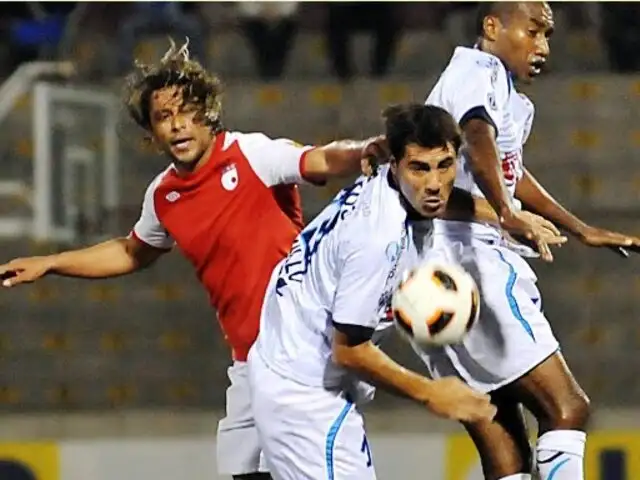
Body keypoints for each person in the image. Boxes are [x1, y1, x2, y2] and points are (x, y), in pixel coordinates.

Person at [0, 39, 392, 480]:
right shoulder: (164, 195)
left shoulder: (250, 154)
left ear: (208, 114)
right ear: (151, 134)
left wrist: (364, 151)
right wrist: (50, 263)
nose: (178, 125)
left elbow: (316, 158)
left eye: (186, 111)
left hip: (298, 355)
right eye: (164, 117)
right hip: (249, 363)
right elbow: (132, 251)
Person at [246, 103, 565, 480]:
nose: (433, 182)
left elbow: (437, 202)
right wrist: (433, 393)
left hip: (289, 363)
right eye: (419, 168)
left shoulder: (390, 185)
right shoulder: (377, 237)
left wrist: (503, 216)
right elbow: (348, 350)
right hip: (303, 395)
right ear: (394, 164)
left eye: (445, 166)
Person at [422, 3, 640, 480]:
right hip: (468, 257)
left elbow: (508, 171)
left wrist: (579, 227)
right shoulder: (477, 71)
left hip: (429, 274)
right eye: (534, 31)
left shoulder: (507, 95)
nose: (542, 47)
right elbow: (476, 135)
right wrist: (504, 213)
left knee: (507, 449)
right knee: (568, 408)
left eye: (548, 36)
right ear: (492, 26)